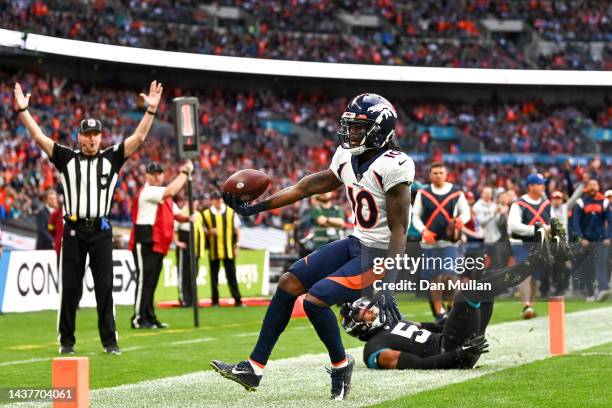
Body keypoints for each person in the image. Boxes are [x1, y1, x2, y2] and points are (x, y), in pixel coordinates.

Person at [210, 93, 413, 400]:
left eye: (359, 127)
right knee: (289, 282)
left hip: (378, 255)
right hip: (355, 242)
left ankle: (341, 366)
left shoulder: (395, 165)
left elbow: (400, 229)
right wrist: (254, 208)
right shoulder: (346, 158)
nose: (351, 133)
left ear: (380, 129)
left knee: (315, 301)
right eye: (350, 126)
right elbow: (306, 186)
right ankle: (253, 368)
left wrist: (388, 281)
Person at [14, 80, 164, 355]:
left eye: (97, 134)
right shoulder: (67, 158)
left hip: (101, 231)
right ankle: (66, 342)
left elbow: (138, 138)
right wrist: (24, 110)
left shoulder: (111, 158)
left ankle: (110, 342)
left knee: (105, 288)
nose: (93, 139)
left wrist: (150, 111)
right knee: (70, 289)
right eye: (88, 135)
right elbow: (39, 138)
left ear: (101, 137)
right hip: (72, 231)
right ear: (80, 137)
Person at [341, 222, 560, 370]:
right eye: (361, 313)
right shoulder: (373, 351)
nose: (368, 310)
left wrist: (454, 319)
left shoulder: (393, 324)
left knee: (486, 281)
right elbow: (418, 364)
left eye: (364, 306)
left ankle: (547, 256)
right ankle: (538, 259)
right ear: (357, 327)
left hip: (456, 342)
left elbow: (433, 328)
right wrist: (458, 354)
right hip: (452, 352)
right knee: (467, 294)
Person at [129, 161, 193, 329]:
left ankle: (149, 316)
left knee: (151, 282)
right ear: (147, 176)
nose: (157, 176)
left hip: (158, 243)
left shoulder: (164, 197)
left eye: (159, 173)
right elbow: (171, 191)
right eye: (153, 174)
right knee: (145, 281)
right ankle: (138, 318)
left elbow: (177, 214)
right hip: (146, 240)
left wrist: (188, 218)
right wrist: (185, 172)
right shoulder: (148, 191)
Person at [412, 162, 470, 323]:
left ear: (446, 174)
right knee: (434, 278)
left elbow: (466, 212)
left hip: (449, 242)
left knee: (451, 277)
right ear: (430, 175)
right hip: (429, 242)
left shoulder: (456, 192)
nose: (438, 175)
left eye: (441, 172)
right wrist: (424, 230)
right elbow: (415, 215)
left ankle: (451, 307)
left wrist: (460, 220)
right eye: (435, 173)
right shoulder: (423, 193)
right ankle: (439, 313)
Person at [508, 173, 551, 319]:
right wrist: (536, 229)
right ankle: (526, 305)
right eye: (540, 184)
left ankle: (530, 306)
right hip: (520, 243)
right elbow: (513, 226)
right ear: (531, 186)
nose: (543, 186)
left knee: (536, 278)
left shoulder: (546, 204)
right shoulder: (518, 204)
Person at [572, 179, 611, 302]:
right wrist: (581, 238)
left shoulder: (604, 202)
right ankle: (589, 293)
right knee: (588, 266)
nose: (593, 187)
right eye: (591, 185)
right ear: (587, 188)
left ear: (599, 187)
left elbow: (610, 221)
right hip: (586, 241)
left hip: (600, 240)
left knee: (601, 264)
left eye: (595, 185)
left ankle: (602, 290)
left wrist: (608, 237)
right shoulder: (580, 202)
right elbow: (576, 223)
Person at [202, 191, 242, 307]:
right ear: (211, 201)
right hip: (214, 250)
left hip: (228, 249)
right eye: (215, 199)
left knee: (232, 276)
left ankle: (237, 299)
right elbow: (202, 232)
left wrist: (237, 245)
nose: (218, 201)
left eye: (219, 199)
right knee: (214, 277)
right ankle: (215, 300)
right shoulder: (206, 214)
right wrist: (209, 232)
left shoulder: (230, 213)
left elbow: (237, 230)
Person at [176, 196, 205, 307]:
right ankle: (184, 299)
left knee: (193, 274)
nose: (194, 204)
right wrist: (177, 242)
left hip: (195, 248)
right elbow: (174, 228)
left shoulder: (198, 215)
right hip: (185, 244)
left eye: (195, 202)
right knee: (184, 274)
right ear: (187, 202)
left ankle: (192, 299)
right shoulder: (182, 213)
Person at [473, 187, 503, 269]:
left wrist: (501, 214)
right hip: (483, 241)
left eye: (490, 193)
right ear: (482, 194)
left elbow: (498, 223)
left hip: (495, 239)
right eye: (486, 193)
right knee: (479, 266)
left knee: (497, 265)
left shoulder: (494, 205)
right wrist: (493, 214)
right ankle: (477, 281)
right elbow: (480, 222)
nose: (488, 195)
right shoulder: (477, 206)